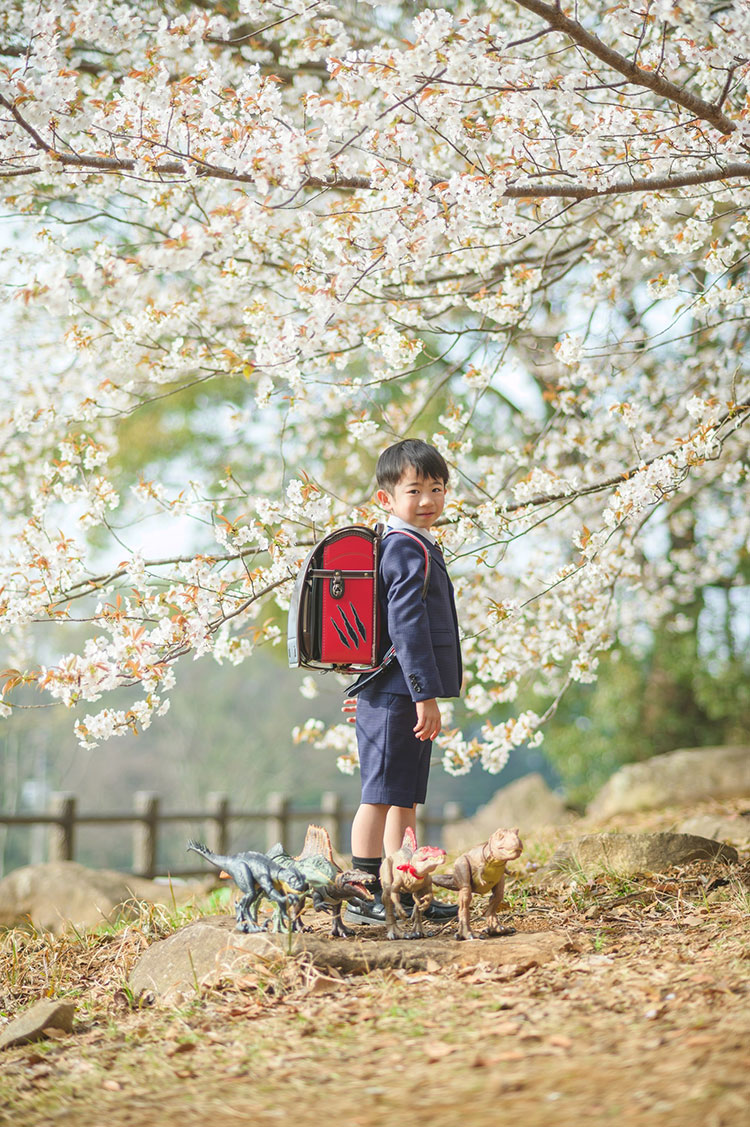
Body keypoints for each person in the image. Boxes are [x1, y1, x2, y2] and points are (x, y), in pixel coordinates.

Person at [343, 438, 463, 925]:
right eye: (415, 490)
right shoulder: (403, 547)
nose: (428, 500)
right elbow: (406, 625)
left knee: (404, 798)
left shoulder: (413, 544)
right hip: (398, 693)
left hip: (398, 692)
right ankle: (364, 890)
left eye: (437, 488)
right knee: (378, 794)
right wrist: (424, 694)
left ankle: (408, 889)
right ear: (386, 499)